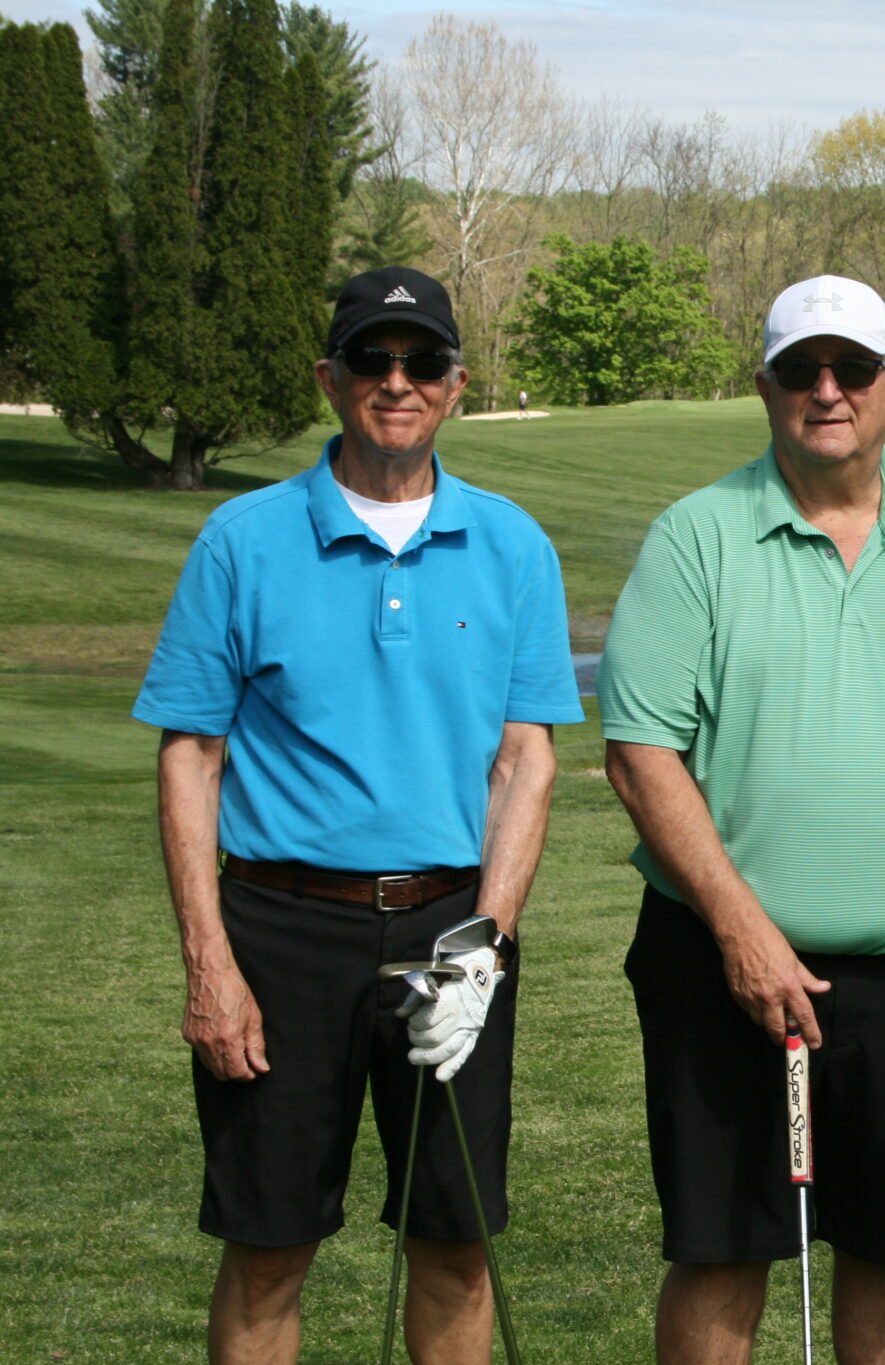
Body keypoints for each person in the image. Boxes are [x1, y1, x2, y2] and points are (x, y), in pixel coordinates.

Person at [134, 265, 583, 1363]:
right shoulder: (243, 538)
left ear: (456, 384)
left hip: (450, 931)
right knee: (268, 1245)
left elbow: (527, 762)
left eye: (421, 361)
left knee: (453, 1243)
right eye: (372, 360)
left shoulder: (514, 544)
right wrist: (210, 963)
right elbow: (191, 758)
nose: (397, 382)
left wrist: (487, 947)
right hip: (279, 934)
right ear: (330, 377)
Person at [598, 274, 885, 1365]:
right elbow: (641, 755)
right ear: (765, 388)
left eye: (850, 370)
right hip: (717, 963)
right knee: (722, 1253)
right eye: (799, 370)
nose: (825, 390)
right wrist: (741, 931)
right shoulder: (697, 535)